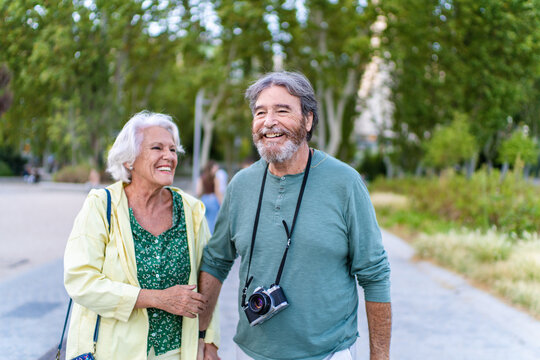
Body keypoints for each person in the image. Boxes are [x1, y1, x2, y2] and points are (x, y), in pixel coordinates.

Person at [198, 71, 391, 360]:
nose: (269, 122)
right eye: (260, 112)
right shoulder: (240, 185)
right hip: (249, 353)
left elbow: (374, 274)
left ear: (308, 119)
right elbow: (215, 261)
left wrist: (380, 357)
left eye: (282, 110)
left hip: (328, 354)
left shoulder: (345, 183)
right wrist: (203, 338)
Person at [64, 111, 219, 360]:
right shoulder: (101, 205)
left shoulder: (192, 211)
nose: (169, 156)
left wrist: (209, 340)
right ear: (129, 161)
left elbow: (209, 278)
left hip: (179, 353)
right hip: (112, 351)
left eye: (172, 149)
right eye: (157, 148)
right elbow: (81, 281)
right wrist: (157, 298)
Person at [196, 161, 224, 234]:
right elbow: (218, 192)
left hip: (204, 200)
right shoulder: (215, 178)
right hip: (213, 200)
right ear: (211, 168)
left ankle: (204, 238)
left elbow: (198, 192)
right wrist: (222, 204)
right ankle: (210, 239)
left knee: (204, 221)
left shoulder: (201, 178)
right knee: (212, 222)